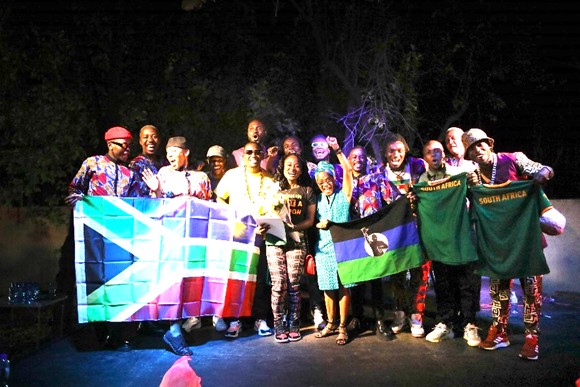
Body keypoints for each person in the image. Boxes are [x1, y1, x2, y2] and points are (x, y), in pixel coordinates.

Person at [462, 128, 554, 360]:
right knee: (498, 291)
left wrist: (543, 173)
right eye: (472, 148)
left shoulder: (514, 158)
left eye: (480, 144)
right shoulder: (472, 176)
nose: (477, 150)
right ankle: (500, 332)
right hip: (497, 244)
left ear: (489, 145)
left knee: (531, 291)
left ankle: (532, 336)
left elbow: (545, 169)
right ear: (469, 155)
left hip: (525, 240)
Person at [65, 126, 138, 351]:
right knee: (96, 281)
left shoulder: (131, 172)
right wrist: (79, 200)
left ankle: (117, 335)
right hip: (95, 236)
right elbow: (74, 190)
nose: (127, 149)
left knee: (120, 282)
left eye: (129, 145)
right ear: (110, 145)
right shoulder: (92, 163)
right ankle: (96, 334)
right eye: (122, 145)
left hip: (120, 237)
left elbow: (136, 203)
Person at [142, 136, 212, 356]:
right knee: (172, 283)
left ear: (186, 152)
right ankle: (173, 331)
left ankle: (182, 326)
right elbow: (154, 209)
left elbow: (210, 208)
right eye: (168, 151)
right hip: (170, 236)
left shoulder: (201, 177)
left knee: (190, 283)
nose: (171, 155)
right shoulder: (162, 174)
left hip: (195, 237)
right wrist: (156, 191)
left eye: (175, 150)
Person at [415, 140, 481, 346]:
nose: (434, 155)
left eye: (437, 151)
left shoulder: (458, 174)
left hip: (461, 239)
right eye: (429, 152)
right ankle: (446, 323)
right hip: (438, 242)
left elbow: (477, 196)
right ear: (424, 157)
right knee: (443, 285)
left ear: (443, 154)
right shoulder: (422, 181)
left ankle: (469, 324)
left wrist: (474, 182)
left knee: (466, 284)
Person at [215, 141, 279, 338]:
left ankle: (260, 318)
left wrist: (268, 223)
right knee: (237, 277)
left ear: (262, 156)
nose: (253, 155)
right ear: (243, 155)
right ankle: (236, 319)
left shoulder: (268, 178)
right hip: (238, 233)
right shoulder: (232, 175)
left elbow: (275, 208)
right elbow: (219, 198)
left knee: (258, 279)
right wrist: (230, 218)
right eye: (249, 152)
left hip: (260, 234)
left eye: (257, 152)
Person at [267, 152, 316, 343]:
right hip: (274, 240)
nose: (292, 169)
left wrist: (292, 227)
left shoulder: (307, 191)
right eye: (288, 165)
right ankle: (279, 324)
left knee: (294, 284)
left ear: (301, 169)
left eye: (296, 165)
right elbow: (266, 212)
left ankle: (294, 322)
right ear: (282, 167)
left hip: (297, 240)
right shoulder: (275, 190)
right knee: (279, 284)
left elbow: (310, 220)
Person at [279, 135, 327, 330]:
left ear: (301, 148)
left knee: (311, 272)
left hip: (310, 230)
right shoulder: (280, 182)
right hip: (284, 237)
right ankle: (287, 315)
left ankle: (316, 310)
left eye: (294, 146)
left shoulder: (311, 173)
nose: (291, 148)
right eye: (286, 146)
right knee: (287, 278)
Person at [312, 136, 354, 346]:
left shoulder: (343, 194)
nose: (324, 184)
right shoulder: (318, 199)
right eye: (320, 182)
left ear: (333, 178)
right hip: (323, 249)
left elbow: (348, 171)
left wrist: (337, 150)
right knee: (328, 287)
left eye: (327, 179)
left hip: (343, 248)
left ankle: (343, 326)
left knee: (343, 287)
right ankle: (330, 323)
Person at [346, 145, 387, 337]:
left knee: (376, 279)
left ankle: (380, 320)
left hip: (374, 234)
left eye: (361, 157)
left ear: (367, 160)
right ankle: (357, 317)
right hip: (352, 236)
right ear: (348, 159)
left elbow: (393, 199)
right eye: (353, 157)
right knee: (356, 279)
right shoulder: (343, 182)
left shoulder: (377, 179)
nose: (358, 160)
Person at [129, 124, 167, 197]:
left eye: (154, 137)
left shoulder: (165, 163)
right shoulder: (136, 165)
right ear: (140, 141)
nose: (150, 140)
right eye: (145, 137)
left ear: (159, 140)